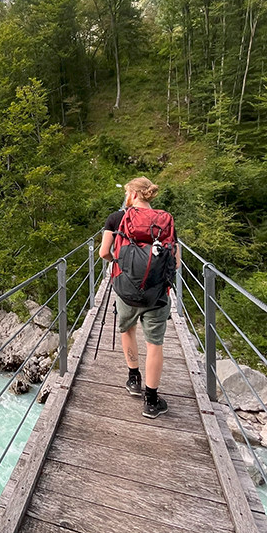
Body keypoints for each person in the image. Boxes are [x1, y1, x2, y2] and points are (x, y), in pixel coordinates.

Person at [99, 177, 178, 418]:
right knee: (155, 344)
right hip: (157, 293)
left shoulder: (117, 218)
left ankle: (134, 379)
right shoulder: (166, 220)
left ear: (133, 194)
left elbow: (104, 252)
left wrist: (121, 264)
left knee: (128, 330)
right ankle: (152, 402)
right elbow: (174, 261)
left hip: (126, 289)